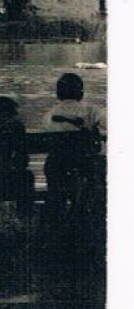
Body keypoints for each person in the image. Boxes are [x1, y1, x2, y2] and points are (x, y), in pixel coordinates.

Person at [41, 72, 105, 220]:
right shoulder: (91, 110)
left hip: (57, 164)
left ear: (58, 94)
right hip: (83, 162)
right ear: (81, 92)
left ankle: (57, 208)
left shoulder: (49, 114)